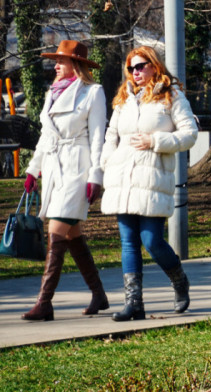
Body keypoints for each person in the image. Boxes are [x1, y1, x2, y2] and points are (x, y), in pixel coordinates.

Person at [100, 46, 198, 321]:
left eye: (141, 66)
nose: (136, 72)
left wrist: (155, 141)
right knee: (128, 242)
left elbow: (189, 134)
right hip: (122, 179)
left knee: (151, 240)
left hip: (153, 178)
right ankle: (134, 304)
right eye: (131, 68)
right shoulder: (124, 99)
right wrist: (107, 164)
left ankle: (179, 281)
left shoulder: (172, 96)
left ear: (155, 65)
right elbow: (111, 136)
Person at [22, 40, 108, 321]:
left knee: (56, 231)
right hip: (54, 169)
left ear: (77, 64)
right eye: (55, 61)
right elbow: (46, 137)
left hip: (77, 169)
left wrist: (96, 176)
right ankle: (99, 294)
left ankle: (44, 302)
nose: (55, 65)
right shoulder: (52, 93)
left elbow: (98, 138)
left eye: (61, 61)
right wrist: (33, 170)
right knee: (72, 235)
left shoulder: (93, 92)